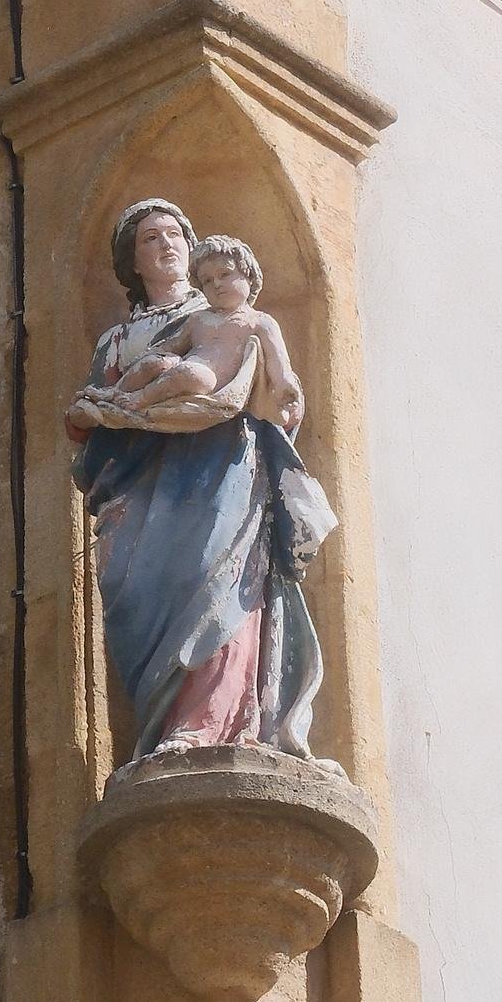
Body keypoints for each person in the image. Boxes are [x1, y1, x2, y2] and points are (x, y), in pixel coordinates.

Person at [66, 201, 335, 760]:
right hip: (139, 484)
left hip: (222, 468)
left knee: (219, 576)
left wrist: (284, 401)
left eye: (174, 235)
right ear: (132, 261)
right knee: (141, 596)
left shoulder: (229, 313)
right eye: (150, 239)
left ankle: (216, 720)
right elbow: (85, 417)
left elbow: (273, 387)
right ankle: (162, 725)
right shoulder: (119, 339)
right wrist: (104, 411)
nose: (166, 246)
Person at [69, 234, 305, 434]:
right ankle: (115, 393)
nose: (217, 284)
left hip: (210, 389)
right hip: (177, 380)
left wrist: (285, 386)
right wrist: (155, 358)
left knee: (190, 372)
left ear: (249, 276)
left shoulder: (259, 321)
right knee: (155, 362)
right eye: (207, 280)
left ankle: (139, 399)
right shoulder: (199, 318)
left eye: (225, 275)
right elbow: (172, 345)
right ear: (134, 262)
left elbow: (278, 363)